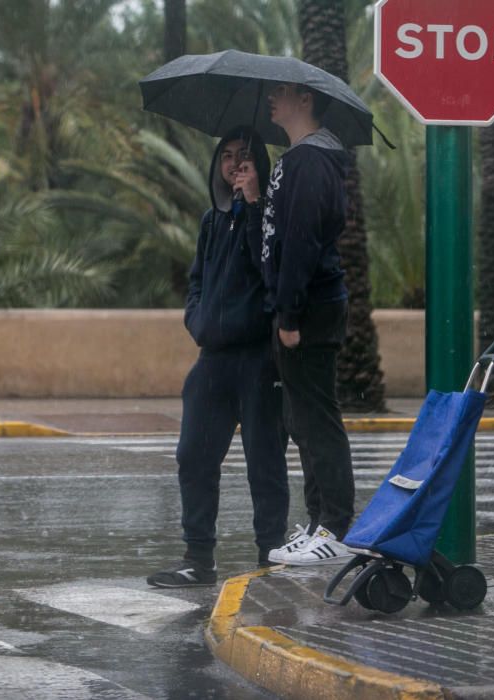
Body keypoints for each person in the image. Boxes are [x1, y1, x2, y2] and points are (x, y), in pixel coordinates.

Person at [147, 127, 289, 588]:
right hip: (213, 358)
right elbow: (196, 281)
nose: (233, 164)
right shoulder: (212, 220)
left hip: (258, 359)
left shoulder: (268, 217)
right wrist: (196, 318)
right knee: (194, 456)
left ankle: (270, 554)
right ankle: (198, 557)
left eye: (243, 157)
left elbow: (267, 269)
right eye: (226, 157)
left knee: (263, 461)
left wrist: (253, 206)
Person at [239, 82, 355, 566]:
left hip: (309, 311)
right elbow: (278, 238)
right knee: (300, 420)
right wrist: (254, 199)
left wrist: (289, 313)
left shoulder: (311, 161)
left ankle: (336, 527)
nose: (271, 97)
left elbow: (303, 243)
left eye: (281, 92)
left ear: (305, 100)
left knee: (317, 420)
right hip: (299, 308)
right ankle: (316, 524)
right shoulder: (296, 161)